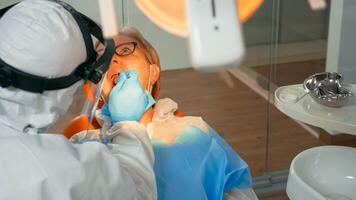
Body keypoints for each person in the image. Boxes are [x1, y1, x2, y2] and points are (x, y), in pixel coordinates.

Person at [73, 27, 258, 200]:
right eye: (101, 57)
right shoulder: (81, 146)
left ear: (153, 73)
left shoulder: (195, 133)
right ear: (97, 84)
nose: (111, 59)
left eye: (125, 50)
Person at [0, 1, 156, 200]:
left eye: (125, 51)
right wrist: (129, 127)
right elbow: (135, 189)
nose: (115, 61)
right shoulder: (53, 169)